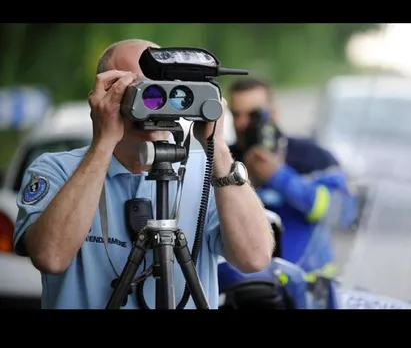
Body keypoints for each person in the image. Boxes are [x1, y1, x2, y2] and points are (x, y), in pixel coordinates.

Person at [13, 39, 274, 309]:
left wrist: (216, 147)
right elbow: (51, 257)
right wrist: (104, 141)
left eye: (161, 86)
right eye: (136, 89)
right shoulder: (57, 169)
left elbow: (254, 258)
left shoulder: (206, 171)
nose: (153, 101)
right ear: (104, 94)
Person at [227, 76, 350, 267]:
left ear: (273, 115)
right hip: (246, 283)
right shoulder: (222, 160)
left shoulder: (313, 156)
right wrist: (244, 181)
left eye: (253, 115)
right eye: (236, 115)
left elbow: (340, 213)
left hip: (308, 284)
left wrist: (279, 176)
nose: (243, 124)